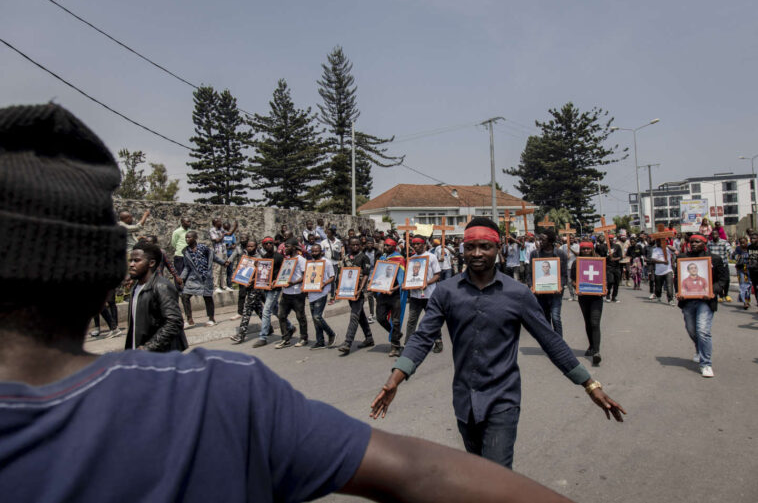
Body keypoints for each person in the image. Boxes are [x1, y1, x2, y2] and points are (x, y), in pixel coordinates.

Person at [0, 103, 576, 503]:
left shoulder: (504, 288)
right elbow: (419, 472)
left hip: (434, 337)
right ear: (108, 280)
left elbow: (542, 337)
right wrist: (399, 367)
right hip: (358, 308)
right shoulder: (216, 394)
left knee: (365, 317)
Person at [370, 217, 625, 469]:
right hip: (464, 402)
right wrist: (395, 380)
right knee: (478, 473)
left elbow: (551, 341)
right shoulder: (447, 292)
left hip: (503, 401)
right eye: (470, 247)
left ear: (498, 248)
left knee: (497, 477)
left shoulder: (517, 294)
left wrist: (590, 384)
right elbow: (423, 338)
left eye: (485, 246)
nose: (477, 253)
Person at [676, 234, 728, 378]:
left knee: (703, 330)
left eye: (696, 242)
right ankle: (699, 348)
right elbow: (678, 278)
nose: (693, 244)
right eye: (691, 242)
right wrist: (678, 292)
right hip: (687, 301)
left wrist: (713, 291)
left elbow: (723, 279)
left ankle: (706, 364)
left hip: (706, 300)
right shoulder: (683, 258)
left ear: (704, 243)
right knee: (692, 330)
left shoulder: (715, 259)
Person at [125, 241, 188, 352]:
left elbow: (174, 322)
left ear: (151, 263)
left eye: (137, 260)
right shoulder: (136, 287)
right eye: (131, 260)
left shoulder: (161, 286)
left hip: (161, 356)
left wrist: (148, 347)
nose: (131, 264)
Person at [235, 237, 294, 347]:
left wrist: (278, 281)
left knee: (266, 311)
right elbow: (262, 274)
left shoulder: (279, 257)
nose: (268, 245)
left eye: (270, 243)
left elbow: (285, 270)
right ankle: (290, 327)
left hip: (275, 289)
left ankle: (263, 337)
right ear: (263, 246)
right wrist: (251, 281)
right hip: (266, 288)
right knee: (275, 310)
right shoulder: (265, 258)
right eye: (266, 244)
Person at [180, 231, 226, 327]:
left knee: (207, 297)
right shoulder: (186, 251)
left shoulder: (204, 248)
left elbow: (214, 257)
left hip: (205, 276)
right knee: (185, 296)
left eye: (189, 237)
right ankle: (189, 320)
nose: (187, 239)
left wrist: (223, 262)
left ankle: (212, 319)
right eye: (186, 238)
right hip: (193, 277)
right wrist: (181, 278)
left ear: (195, 238)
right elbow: (187, 267)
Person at [405, 237, 443, 353]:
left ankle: (438, 341)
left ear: (423, 245)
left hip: (429, 294)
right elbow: (410, 276)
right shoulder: (411, 259)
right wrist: (406, 284)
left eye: (418, 244)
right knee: (411, 320)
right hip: (415, 295)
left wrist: (427, 283)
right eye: (414, 244)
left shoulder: (431, 257)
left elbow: (437, 275)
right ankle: (408, 344)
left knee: (432, 319)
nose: (415, 246)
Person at [530, 230, 567, 337]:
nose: (540, 241)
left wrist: (561, 286)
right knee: (545, 319)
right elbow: (530, 273)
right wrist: (532, 285)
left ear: (550, 241)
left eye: (543, 239)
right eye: (539, 239)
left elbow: (564, 275)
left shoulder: (560, 254)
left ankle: (559, 344)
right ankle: (550, 342)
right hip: (540, 293)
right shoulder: (535, 254)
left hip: (556, 292)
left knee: (555, 317)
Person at [571, 242, 604, 366]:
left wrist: (604, 288)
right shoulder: (576, 263)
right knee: (588, 322)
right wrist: (577, 286)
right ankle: (591, 345)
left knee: (595, 322)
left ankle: (596, 352)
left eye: (588, 249)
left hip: (597, 297)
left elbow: (603, 278)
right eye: (583, 249)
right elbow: (573, 280)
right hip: (583, 297)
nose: (585, 251)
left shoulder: (599, 261)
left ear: (592, 249)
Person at [275, 238, 309, 349]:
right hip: (286, 293)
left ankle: (303, 338)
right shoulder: (287, 260)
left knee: (300, 316)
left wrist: (293, 283)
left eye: (288, 246)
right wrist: (278, 281)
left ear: (294, 247)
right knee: (281, 316)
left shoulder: (301, 260)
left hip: (297, 292)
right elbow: (284, 274)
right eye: (285, 246)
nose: (285, 248)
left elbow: (305, 276)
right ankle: (285, 338)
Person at [375, 238, 407, 357]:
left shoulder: (399, 259)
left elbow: (402, 278)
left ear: (394, 247)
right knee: (380, 318)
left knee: (396, 321)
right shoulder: (382, 259)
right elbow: (378, 275)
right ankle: (396, 334)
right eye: (385, 245)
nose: (386, 247)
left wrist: (393, 289)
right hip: (383, 293)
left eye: (389, 246)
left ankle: (395, 346)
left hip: (395, 294)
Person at [306, 244, 337, 350]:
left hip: (322, 293)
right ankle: (320, 341)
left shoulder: (327, 262)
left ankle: (331, 333)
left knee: (317, 316)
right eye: (312, 251)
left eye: (316, 251)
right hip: (311, 293)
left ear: (321, 251)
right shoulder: (310, 263)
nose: (314, 253)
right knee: (315, 320)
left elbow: (332, 277)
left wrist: (324, 284)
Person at [209, 218, 237, 293]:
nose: (220, 223)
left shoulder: (221, 229)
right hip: (218, 252)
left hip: (224, 251)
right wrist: (223, 235)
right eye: (219, 221)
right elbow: (217, 240)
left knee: (224, 269)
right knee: (217, 269)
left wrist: (235, 227)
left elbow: (230, 233)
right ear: (215, 223)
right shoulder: (212, 230)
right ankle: (216, 286)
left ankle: (224, 285)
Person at [707, 230, 732, 302]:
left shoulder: (724, 242)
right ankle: (720, 295)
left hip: (723, 264)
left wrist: (731, 254)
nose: (714, 235)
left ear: (718, 235)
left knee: (726, 279)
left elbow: (729, 250)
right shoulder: (709, 243)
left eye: (716, 234)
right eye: (713, 234)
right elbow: (708, 252)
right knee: (717, 280)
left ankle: (726, 294)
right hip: (714, 266)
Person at [322, 227, 343, 304]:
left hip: (335, 263)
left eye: (329, 233)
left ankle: (332, 297)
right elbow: (321, 251)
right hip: (327, 264)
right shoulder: (324, 242)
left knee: (333, 280)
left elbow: (340, 252)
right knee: (328, 280)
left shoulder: (338, 241)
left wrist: (340, 260)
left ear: (333, 234)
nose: (327, 234)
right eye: (327, 233)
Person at [650, 239, 676, 306]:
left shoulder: (668, 248)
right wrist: (663, 262)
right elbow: (653, 260)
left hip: (668, 270)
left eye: (660, 241)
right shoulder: (655, 250)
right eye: (658, 242)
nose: (659, 243)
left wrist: (666, 245)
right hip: (659, 272)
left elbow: (674, 250)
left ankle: (670, 300)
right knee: (658, 287)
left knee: (669, 286)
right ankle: (658, 297)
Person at [732, 236, 752, 309]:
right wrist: (737, 256)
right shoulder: (738, 249)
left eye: (744, 242)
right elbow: (733, 256)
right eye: (741, 243)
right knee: (743, 285)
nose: (743, 244)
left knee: (749, 285)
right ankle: (745, 302)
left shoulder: (751, 247)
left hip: (750, 269)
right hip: (741, 269)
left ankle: (747, 300)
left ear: (747, 241)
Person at [605, 235, 623, 303]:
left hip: (617, 267)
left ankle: (614, 297)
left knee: (616, 283)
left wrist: (614, 259)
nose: (610, 239)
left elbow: (620, 257)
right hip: (608, 267)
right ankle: (608, 295)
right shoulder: (604, 246)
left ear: (613, 239)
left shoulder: (617, 246)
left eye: (611, 238)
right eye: (609, 238)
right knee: (610, 281)